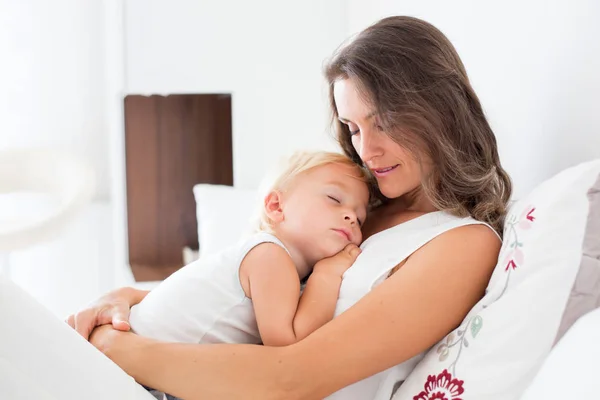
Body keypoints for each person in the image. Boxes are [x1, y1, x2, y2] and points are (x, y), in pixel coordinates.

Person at [68, 16, 511, 399]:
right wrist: (124, 301)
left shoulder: (462, 245)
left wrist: (115, 348)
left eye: (384, 122)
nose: (367, 150)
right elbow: (241, 303)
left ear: (440, 109)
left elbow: (292, 380)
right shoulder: (356, 209)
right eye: (353, 128)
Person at [131, 151, 368, 399]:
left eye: (360, 219)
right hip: (144, 373)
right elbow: (289, 346)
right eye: (334, 198)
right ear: (276, 206)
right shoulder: (270, 255)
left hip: (160, 369)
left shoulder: (281, 264)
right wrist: (327, 275)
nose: (351, 217)